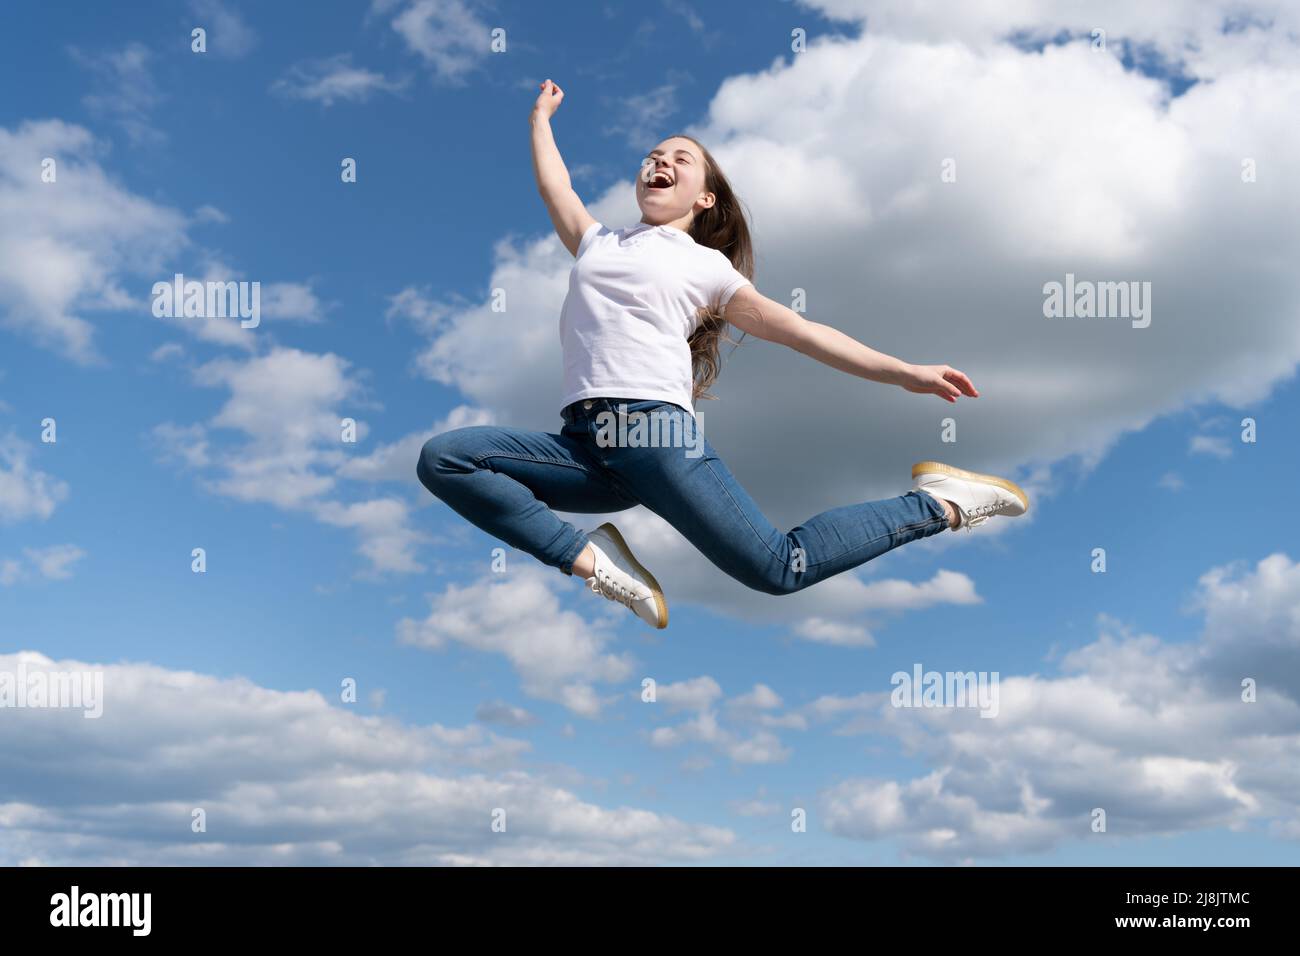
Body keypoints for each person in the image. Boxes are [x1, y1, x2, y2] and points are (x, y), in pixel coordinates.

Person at [416, 79, 1028, 630]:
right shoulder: (598, 243)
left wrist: (905, 373)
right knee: (447, 459)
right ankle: (589, 558)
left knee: (780, 568)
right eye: (653, 155)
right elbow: (557, 191)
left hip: (652, 431)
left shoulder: (705, 266)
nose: (660, 161)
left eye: (680, 159)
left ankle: (942, 502)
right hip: (587, 447)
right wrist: (539, 122)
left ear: (705, 199)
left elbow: (798, 330)